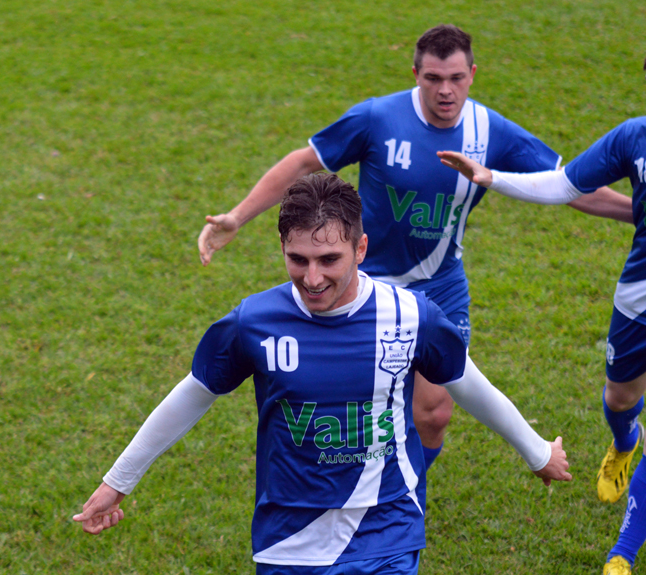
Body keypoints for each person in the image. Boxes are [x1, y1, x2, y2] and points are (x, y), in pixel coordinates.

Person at [75, 173, 571, 574]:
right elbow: (194, 394)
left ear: (360, 249)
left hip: (386, 527)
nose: (313, 278)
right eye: (298, 260)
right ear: (283, 251)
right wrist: (118, 482)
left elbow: (465, 381)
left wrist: (535, 451)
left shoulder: (411, 315)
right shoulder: (254, 322)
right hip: (288, 537)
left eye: (329, 259)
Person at [197, 24, 632, 471]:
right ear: (415, 74)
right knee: (350, 404)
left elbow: (569, 187)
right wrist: (237, 216)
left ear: (473, 74)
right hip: (362, 284)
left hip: (440, 285)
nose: (446, 90)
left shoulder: (491, 131)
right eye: (433, 79)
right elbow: (305, 162)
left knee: (435, 413)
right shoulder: (377, 119)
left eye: (456, 78)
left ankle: (405, 496)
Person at [437, 108, 646, 575]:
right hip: (638, 298)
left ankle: (622, 554)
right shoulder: (635, 136)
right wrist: (492, 177)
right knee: (619, 398)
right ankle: (626, 439)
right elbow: (566, 185)